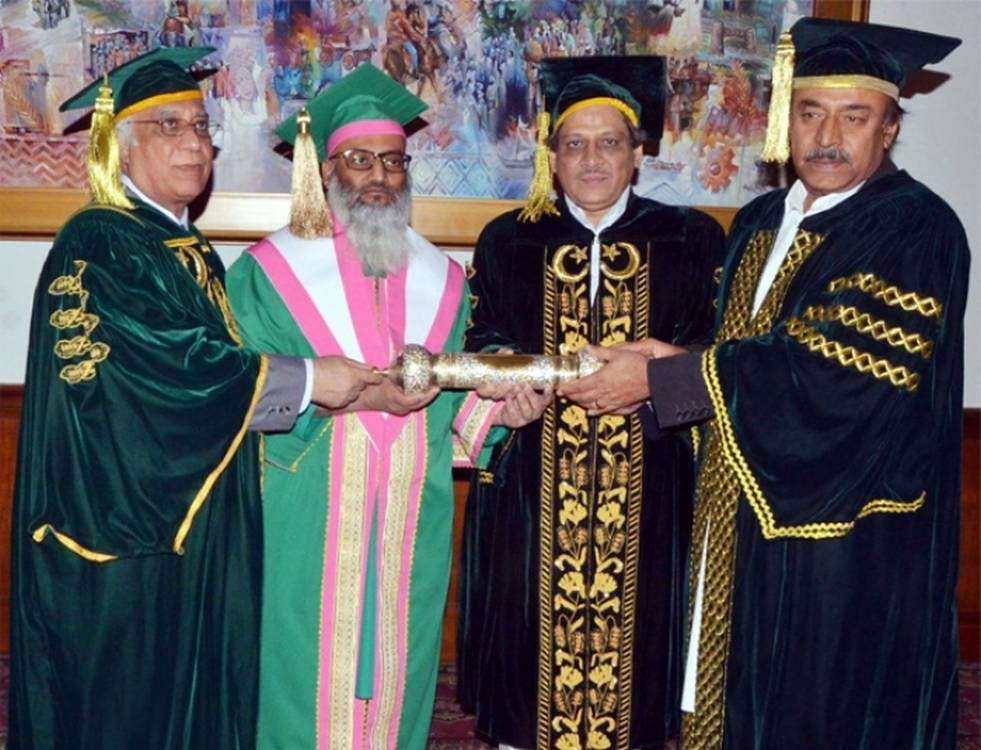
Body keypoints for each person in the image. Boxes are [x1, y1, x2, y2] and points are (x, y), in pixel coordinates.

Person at [559, 19, 968, 750]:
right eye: (811, 112)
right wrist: (676, 355)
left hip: (845, 535)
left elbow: (837, 374)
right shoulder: (758, 219)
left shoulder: (912, 228)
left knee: (819, 707)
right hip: (740, 516)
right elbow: (752, 348)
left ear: (889, 130)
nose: (827, 137)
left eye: (854, 117)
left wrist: (662, 378)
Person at [8, 47, 380, 750]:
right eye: (169, 126)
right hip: (123, 537)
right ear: (121, 147)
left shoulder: (187, 248)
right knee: (130, 714)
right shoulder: (102, 240)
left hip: (189, 530)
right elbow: (168, 375)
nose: (194, 143)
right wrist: (308, 379)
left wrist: (330, 394)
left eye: (201, 127)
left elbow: (218, 373)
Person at [225, 63, 548, 750]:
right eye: (360, 160)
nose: (379, 177)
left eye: (394, 162)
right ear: (325, 169)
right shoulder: (265, 275)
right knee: (295, 679)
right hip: (303, 520)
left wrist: (502, 416)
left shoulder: (445, 280)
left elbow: (450, 409)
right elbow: (239, 398)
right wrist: (351, 402)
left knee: (403, 677)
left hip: (409, 521)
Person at [457, 57, 725, 750]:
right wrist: (505, 394)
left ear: (638, 153)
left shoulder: (691, 239)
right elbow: (482, 337)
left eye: (610, 142)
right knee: (527, 647)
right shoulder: (509, 239)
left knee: (641, 651)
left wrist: (658, 375)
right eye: (574, 144)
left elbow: (721, 351)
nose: (592, 159)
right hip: (532, 480)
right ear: (551, 157)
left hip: (654, 479)